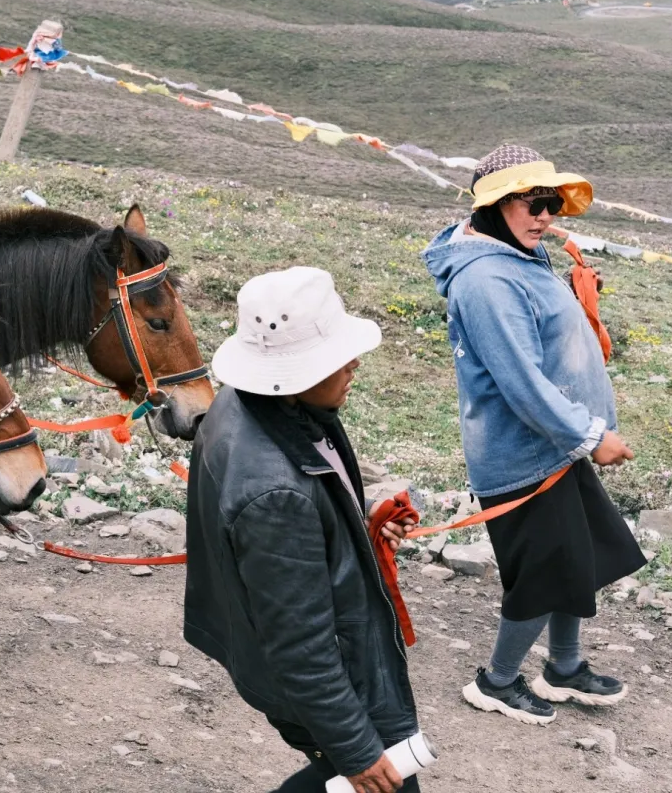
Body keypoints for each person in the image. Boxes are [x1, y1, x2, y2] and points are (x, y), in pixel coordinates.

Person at [422, 145, 647, 726]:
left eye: (551, 204)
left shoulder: (518, 255)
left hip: (557, 445)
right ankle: (495, 681)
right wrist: (590, 435)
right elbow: (520, 382)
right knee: (547, 571)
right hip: (523, 452)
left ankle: (564, 668)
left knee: (579, 560)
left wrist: (583, 434)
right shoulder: (487, 279)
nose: (546, 216)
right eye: (532, 203)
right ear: (495, 206)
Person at [184, 266, 422, 793]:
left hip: (286, 655)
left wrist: (349, 533)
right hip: (317, 678)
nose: (355, 363)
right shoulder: (275, 494)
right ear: (293, 371)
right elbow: (301, 646)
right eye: (337, 356)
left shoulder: (248, 404)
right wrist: (357, 749)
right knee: (377, 781)